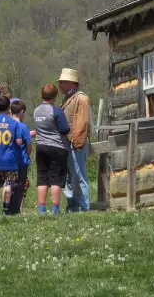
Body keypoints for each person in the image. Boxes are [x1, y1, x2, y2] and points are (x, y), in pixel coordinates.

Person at [33, 83, 70, 215]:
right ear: (55, 96)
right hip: (57, 146)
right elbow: (65, 129)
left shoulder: (36, 111)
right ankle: (55, 209)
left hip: (41, 146)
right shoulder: (56, 110)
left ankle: (41, 208)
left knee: (42, 178)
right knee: (55, 178)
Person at [59, 68, 92, 213]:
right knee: (69, 178)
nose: (60, 85)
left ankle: (84, 207)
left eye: (63, 82)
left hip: (76, 143)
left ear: (71, 83)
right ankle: (72, 206)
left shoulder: (81, 98)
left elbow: (82, 122)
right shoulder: (67, 98)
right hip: (68, 143)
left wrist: (77, 142)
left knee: (78, 176)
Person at [0, 95, 24, 215]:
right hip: (10, 159)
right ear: (9, 106)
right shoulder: (14, 123)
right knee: (8, 184)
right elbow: (19, 142)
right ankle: (6, 209)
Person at [8, 99, 32, 214]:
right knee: (20, 185)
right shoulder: (23, 127)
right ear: (21, 111)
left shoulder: (8, 125)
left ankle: (7, 207)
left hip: (8, 160)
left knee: (9, 185)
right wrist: (27, 154)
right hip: (21, 161)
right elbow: (29, 145)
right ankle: (16, 209)